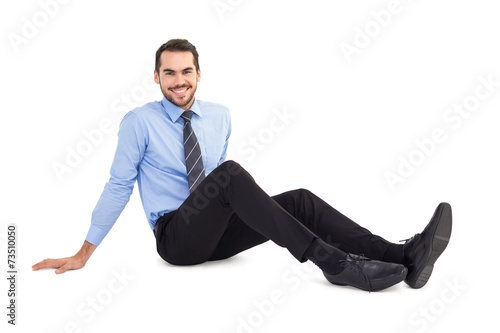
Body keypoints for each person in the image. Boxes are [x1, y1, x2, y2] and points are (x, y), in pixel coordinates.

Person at [33, 39, 452, 292]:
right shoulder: (139, 122)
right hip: (176, 238)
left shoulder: (221, 115)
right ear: (156, 78)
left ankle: (404, 255)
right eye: (169, 73)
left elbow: (220, 188)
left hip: (216, 233)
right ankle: (334, 262)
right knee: (231, 173)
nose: (179, 80)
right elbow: (118, 185)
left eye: (186, 71)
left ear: (199, 73)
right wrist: (84, 252)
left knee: (299, 200)